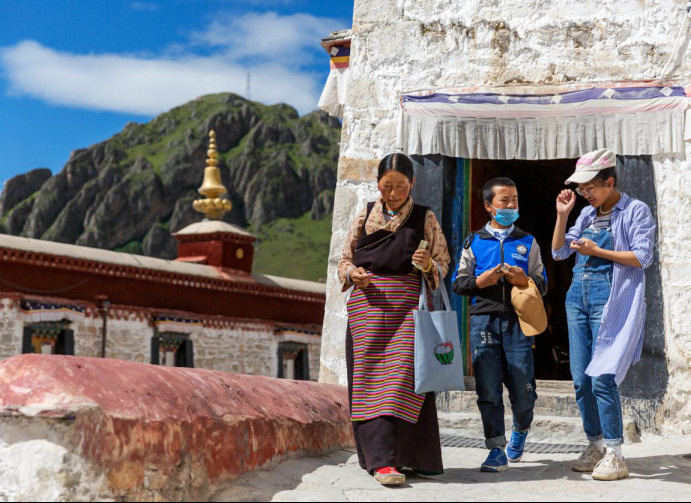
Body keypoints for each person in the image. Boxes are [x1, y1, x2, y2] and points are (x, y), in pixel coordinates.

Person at [338, 153, 450, 486]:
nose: (393, 193)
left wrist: (428, 264)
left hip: (407, 309)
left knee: (404, 380)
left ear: (412, 184)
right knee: (371, 383)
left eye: (400, 186)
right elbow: (344, 260)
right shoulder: (366, 214)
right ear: (378, 185)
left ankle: (413, 457)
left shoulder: (424, 217)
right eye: (387, 186)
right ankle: (382, 462)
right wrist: (353, 272)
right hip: (367, 308)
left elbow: (443, 265)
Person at [552, 148, 655, 481]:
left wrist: (598, 251)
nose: (585, 193)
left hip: (610, 296)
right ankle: (594, 444)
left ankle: (615, 453)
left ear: (610, 181)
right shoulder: (584, 215)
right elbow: (558, 252)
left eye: (590, 188)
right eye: (582, 189)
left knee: (602, 375)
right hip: (577, 297)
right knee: (581, 379)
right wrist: (563, 215)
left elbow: (642, 257)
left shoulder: (635, 210)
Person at [452, 177, 547, 472]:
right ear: (489, 206)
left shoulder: (528, 241)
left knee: (523, 388)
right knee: (488, 388)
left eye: (514, 200)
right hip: (483, 321)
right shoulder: (474, 241)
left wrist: (523, 280)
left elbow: (542, 283)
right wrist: (483, 280)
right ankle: (495, 448)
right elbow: (459, 282)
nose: (510, 206)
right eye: (504, 201)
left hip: (519, 323)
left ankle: (520, 429)